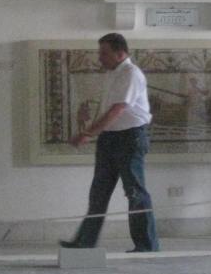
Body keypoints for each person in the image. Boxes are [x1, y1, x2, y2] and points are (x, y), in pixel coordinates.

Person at [61, 33, 159, 252]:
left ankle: (147, 246)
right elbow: (109, 109)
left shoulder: (131, 73)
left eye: (104, 53)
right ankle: (84, 243)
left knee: (135, 192)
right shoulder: (114, 74)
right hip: (110, 138)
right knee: (99, 192)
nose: (100, 58)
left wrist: (88, 133)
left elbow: (118, 109)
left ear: (120, 53)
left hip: (130, 138)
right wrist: (96, 132)